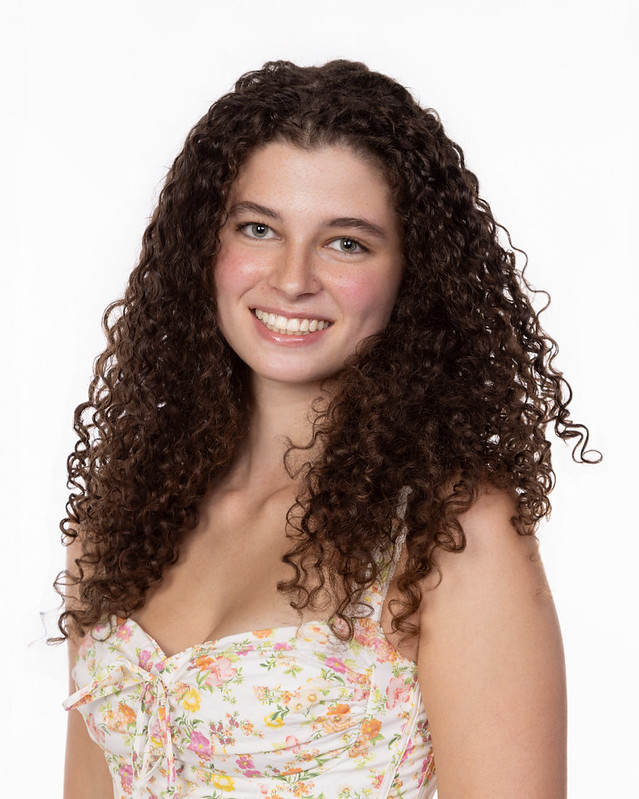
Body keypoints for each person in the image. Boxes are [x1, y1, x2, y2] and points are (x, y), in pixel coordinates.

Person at [57, 60, 594, 799]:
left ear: (413, 272)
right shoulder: (122, 519)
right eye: (258, 229)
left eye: (346, 243)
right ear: (202, 246)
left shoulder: (449, 533)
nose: (291, 278)